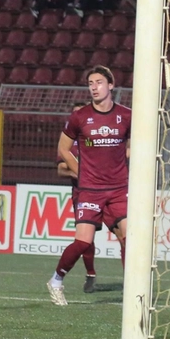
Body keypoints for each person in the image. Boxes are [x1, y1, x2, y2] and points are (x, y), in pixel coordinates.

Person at [47, 66, 131, 306]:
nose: (94, 87)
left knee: (130, 236)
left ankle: (132, 288)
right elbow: (63, 149)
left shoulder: (126, 115)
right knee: (83, 241)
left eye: (99, 82)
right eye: (90, 83)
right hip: (90, 190)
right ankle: (56, 280)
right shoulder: (80, 116)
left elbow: (136, 143)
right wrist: (80, 171)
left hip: (118, 189)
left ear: (111, 85)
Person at [56, 102, 98, 293]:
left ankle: (132, 281)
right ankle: (90, 274)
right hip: (83, 193)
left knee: (123, 234)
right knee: (85, 239)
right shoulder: (68, 144)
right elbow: (60, 169)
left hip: (110, 191)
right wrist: (79, 173)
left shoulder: (97, 137)